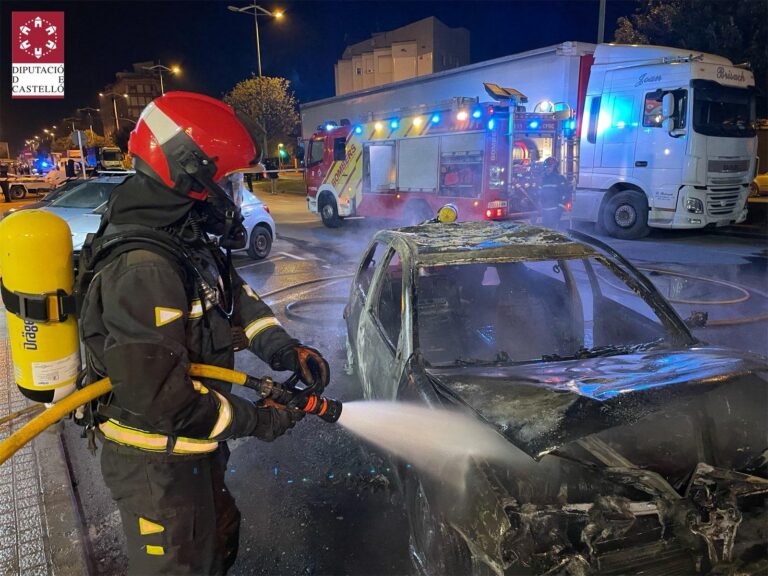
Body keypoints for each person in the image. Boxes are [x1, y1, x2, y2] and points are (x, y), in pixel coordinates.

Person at [78, 92, 330, 575]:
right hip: (158, 468)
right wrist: (259, 419)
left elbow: (233, 296)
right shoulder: (144, 269)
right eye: (229, 180)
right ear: (190, 171)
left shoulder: (181, 236)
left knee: (218, 541)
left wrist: (285, 349)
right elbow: (162, 402)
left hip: (191, 451)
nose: (234, 193)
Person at [538, 157, 570, 229]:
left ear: (554, 168)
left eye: (550, 167)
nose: (547, 169)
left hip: (555, 210)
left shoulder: (559, 178)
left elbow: (566, 193)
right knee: (546, 230)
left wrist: (560, 207)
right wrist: (540, 202)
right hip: (545, 210)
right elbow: (541, 193)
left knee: (553, 230)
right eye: (546, 167)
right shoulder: (544, 179)